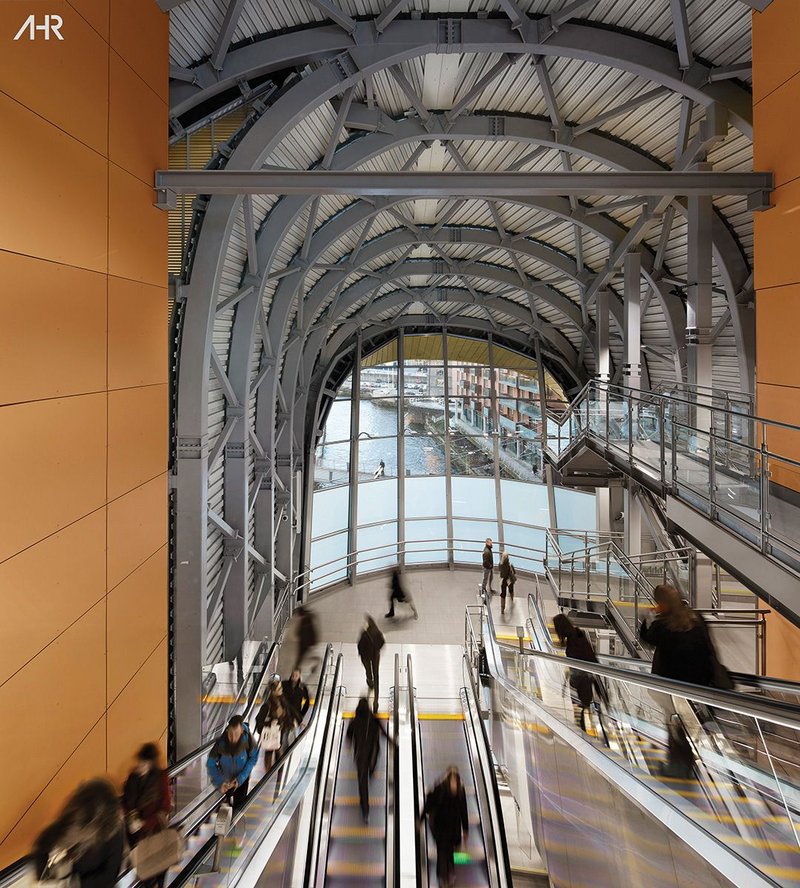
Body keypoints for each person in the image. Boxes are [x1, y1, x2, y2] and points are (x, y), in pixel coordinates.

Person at [639, 584, 721, 778]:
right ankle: (689, 762)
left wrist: (646, 618)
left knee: (675, 725)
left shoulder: (663, 625)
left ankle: (678, 767)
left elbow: (646, 640)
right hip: (697, 684)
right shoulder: (696, 618)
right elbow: (709, 648)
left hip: (671, 685)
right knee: (688, 723)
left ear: (662, 603)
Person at [32, 778, 125, 888]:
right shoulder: (74, 816)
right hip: (77, 877)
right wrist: (44, 878)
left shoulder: (113, 830)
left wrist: (75, 884)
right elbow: (43, 843)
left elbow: (110, 874)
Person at [122, 744, 172, 888]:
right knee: (143, 873)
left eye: (144, 763)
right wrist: (130, 818)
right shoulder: (133, 777)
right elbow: (126, 801)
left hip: (154, 833)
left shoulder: (160, 778)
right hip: (135, 836)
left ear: (151, 764)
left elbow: (165, 808)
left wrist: (143, 823)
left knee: (157, 869)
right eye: (139, 762)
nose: (140, 766)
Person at [553, 613, 601, 732]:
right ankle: (587, 728)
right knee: (584, 705)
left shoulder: (573, 640)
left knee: (580, 706)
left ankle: (584, 731)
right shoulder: (578, 634)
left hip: (579, 679)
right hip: (586, 677)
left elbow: (577, 657)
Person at [346, 697, 392, 824]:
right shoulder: (372, 719)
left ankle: (365, 810)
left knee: (362, 782)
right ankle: (365, 810)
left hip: (361, 756)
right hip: (373, 754)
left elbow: (349, 736)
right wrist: (392, 742)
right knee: (365, 777)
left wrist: (350, 743)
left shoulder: (355, 721)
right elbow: (383, 732)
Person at [422, 767, 469, 887]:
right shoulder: (440, 788)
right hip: (440, 827)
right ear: (448, 780)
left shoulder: (461, 791)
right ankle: (443, 878)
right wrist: (421, 819)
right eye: (451, 780)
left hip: (453, 829)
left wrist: (465, 829)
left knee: (449, 853)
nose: (453, 783)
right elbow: (429, 804)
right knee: (442, 852)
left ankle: (447, 873)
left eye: (455, 780)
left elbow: (464, 811)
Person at [206, 714, 259, 810]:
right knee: (223, 810)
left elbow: (253, 758)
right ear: (227, 730)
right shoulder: (220, 743)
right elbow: (210, 763)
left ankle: (236, 822)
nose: (233, 738)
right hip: (225, 780)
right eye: (231, 734)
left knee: (239, 808)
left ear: (242, 731)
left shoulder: (248, 740)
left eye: (236, 734)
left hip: (242, 780)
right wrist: (220, 782)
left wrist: (241, 778)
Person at [255, 677, 296, 771]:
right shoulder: (267, 706)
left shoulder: (282, 700)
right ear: (273, 692)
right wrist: (270, 723)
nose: (282, 690)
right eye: (279, 689)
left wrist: (291, 723)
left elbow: (288, 713)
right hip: (271, 736)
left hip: (281, 734)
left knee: (280, 757)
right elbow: (259, 721)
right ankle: (267, 776)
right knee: (269, 756)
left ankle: (279, 778)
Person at [357, 615, 385, 712]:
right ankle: (376, 701)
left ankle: (370, 682)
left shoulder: (364, 634)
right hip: (375, 657)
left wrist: (361, 654)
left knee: (368, 672)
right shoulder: (377, 632)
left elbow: (360, 646)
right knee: (376, 674)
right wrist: (376, 649)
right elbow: (382, 642)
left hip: (366, 658)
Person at [294, 604, 319, 672]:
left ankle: (297, 669)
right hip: (304, 642)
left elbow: (304, 631)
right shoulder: (306, 618)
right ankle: (297, 669)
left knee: (301, 657)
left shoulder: (306, 620)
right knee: (302, 657)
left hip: (306, 642)